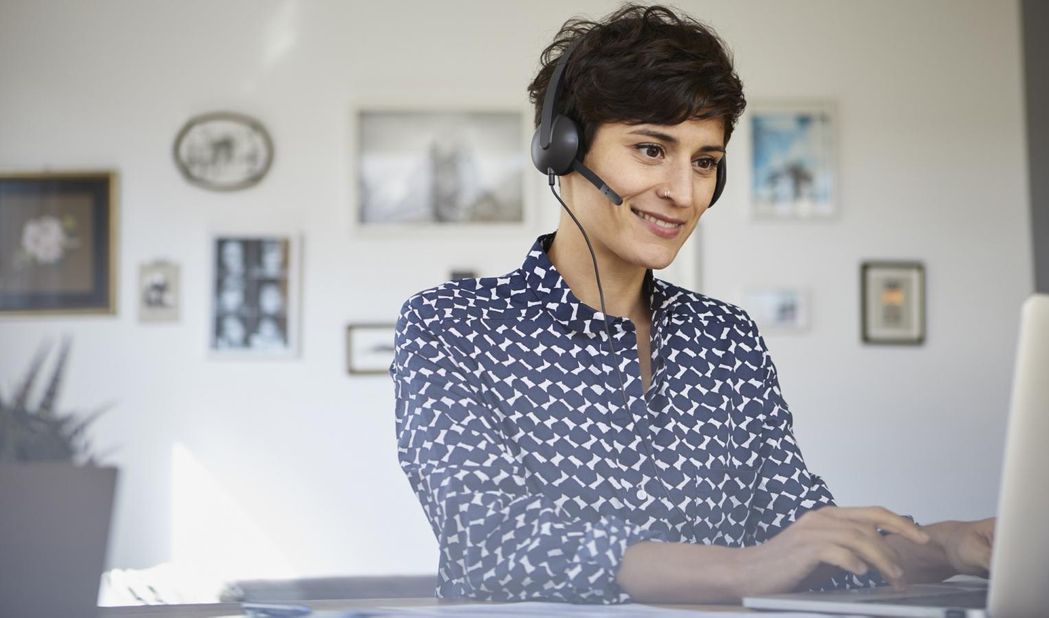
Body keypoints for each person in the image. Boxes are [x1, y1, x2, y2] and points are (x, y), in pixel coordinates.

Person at [391, 4, 994, 605]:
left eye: (704, 162)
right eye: (652, 150)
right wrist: (743, 572)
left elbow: (800, 535)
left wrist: (945, 545)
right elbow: (492, 541)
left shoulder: (725, 338)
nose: (683, 193)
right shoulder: (452, 326)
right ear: (562, 148)